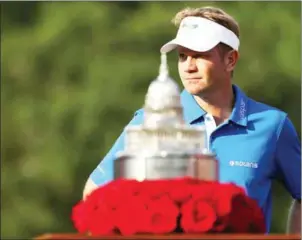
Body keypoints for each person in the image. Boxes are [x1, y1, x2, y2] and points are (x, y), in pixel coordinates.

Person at [83, 6, 301, 233]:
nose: (189, 66)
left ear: (230, 60)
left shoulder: (272, 126)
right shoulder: (151, 121)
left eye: (200, 55)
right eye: (183, 56)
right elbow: (94, 192)